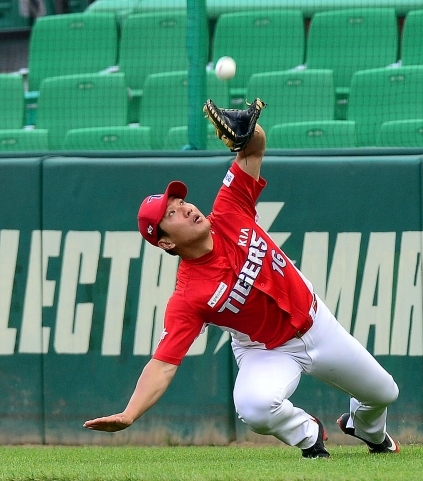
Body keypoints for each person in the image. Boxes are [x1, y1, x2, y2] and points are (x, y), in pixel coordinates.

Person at [83, 104, 400, 458]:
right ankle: (309, 436)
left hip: (316, 323)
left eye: (182, 201)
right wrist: (130, 414)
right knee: (253, 407)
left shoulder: (230, 208)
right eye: (172, 213)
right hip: (266, 350)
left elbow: (255, 147)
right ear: (166, 242)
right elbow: (163, 363)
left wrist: (246, 133)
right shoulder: (188, 296)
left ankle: (366, 429)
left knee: (384, 393)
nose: (186, 208)